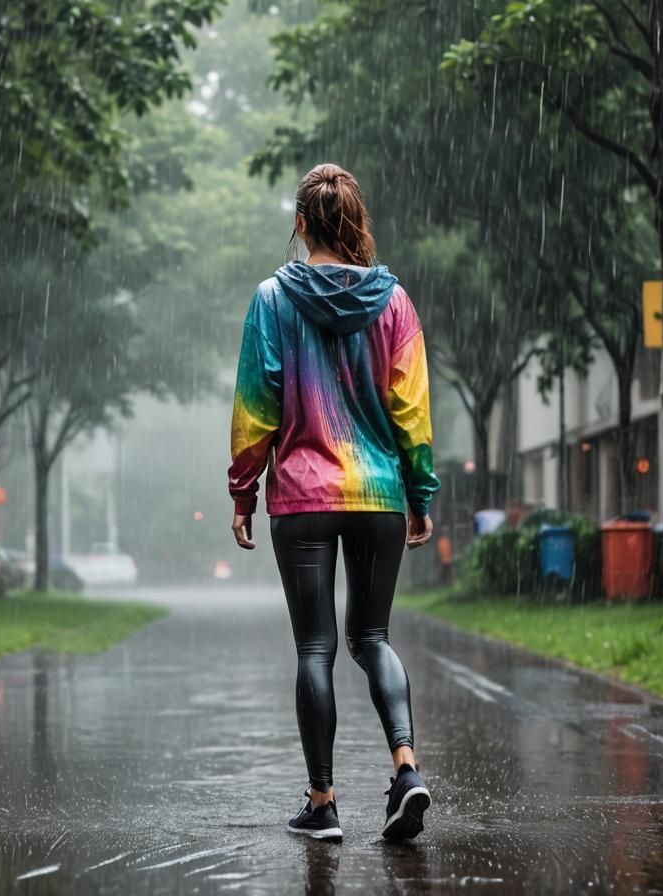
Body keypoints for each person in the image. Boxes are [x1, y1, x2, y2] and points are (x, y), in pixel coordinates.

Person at [228, 163, 440, 843]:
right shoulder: (395, 302)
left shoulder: (272, 299)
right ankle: (406, 768)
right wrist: (419, 490)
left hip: (303, 496)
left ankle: (323, 804)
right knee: (372, 638)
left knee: (315, 648)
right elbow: (411, 408)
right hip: (378, 493)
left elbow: (257, 406)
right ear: (355, 222)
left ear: (300, 224)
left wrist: (243, 490)